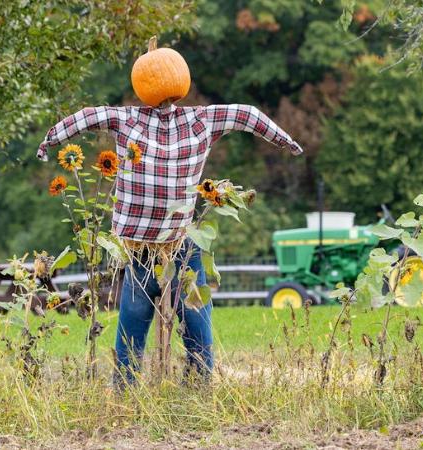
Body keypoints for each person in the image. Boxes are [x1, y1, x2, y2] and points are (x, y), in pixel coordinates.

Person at [36, 41, 304, 384]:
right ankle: (132, 387)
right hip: (139, 248)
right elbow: (89, 117)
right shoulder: (155, 120)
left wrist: (285, 141)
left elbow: (246, 115)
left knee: (189, 314)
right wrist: (50, 141)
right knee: (145, 313)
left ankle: (194, 384)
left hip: (180, 244)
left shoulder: (171, 120)